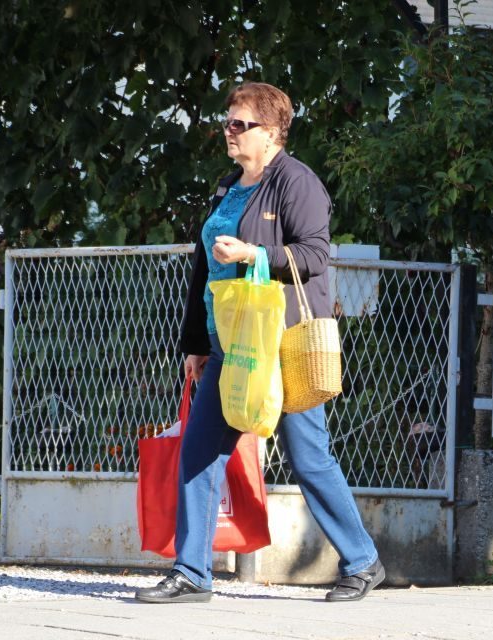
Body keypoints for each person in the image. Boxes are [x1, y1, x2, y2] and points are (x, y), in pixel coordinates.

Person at [135, 82, 384, 604]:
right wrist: (195, 344)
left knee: (308, 457)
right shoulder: (228, 187)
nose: (229, 131)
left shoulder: (298, 182)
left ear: (270, 132)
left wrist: (253, 254)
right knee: (199, 452)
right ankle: (192, 573)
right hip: (228, 344)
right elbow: (204, 269)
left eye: (239, 124)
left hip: (281, 344)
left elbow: (314, 256)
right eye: (227, 122)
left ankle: (362, 561)